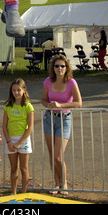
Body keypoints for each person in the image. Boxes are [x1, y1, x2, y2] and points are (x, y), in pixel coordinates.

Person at [41, 54, 82, 194]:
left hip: (64, 119)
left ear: (66, 68)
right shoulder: (48, 81)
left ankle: (64, 182)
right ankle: (56, 184)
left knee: (59, 155)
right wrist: (49, 105)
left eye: (62, 66)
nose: (59, 68)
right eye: (57, 66)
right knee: (52, 155)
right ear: (53, 68)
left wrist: (61, 105)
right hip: (49, 119)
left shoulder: (71, 82)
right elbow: (43, 100)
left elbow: (78, 103)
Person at [3, 78, 34, 195]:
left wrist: (20, 142)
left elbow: (30, 127)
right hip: (11, 139)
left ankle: (24, 192)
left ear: (24, 90)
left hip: (23, 140)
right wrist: (8, 141)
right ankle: (14, 192)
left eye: (18, 90)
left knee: (24, 168)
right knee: (13, 168)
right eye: (14, 90)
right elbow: (4, 125)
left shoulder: (28, 106)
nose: (16, 92)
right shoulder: (8, 106)